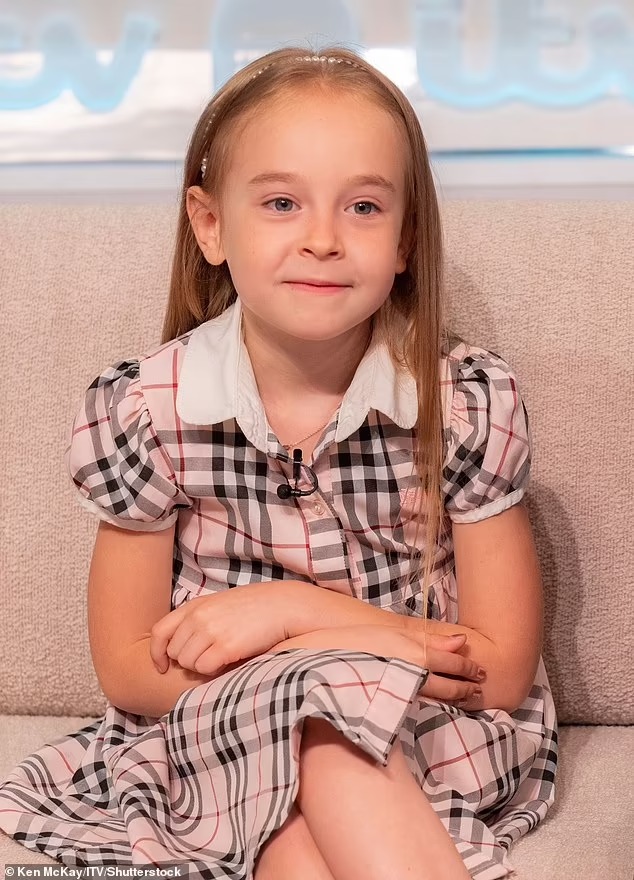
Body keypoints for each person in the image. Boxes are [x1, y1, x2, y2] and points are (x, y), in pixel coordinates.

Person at [0, 46, 557, 880]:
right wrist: (362, 643)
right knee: (300, 756)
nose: (323, 240)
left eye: (363, 207)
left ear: (405, 239)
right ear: (210, 225)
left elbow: (499, 671)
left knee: (325, 732)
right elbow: (128, 666)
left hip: (428, 727)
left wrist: (290, 613)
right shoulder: (146, 409)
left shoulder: (466, 401)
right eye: (282, 203)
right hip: (212, 729)